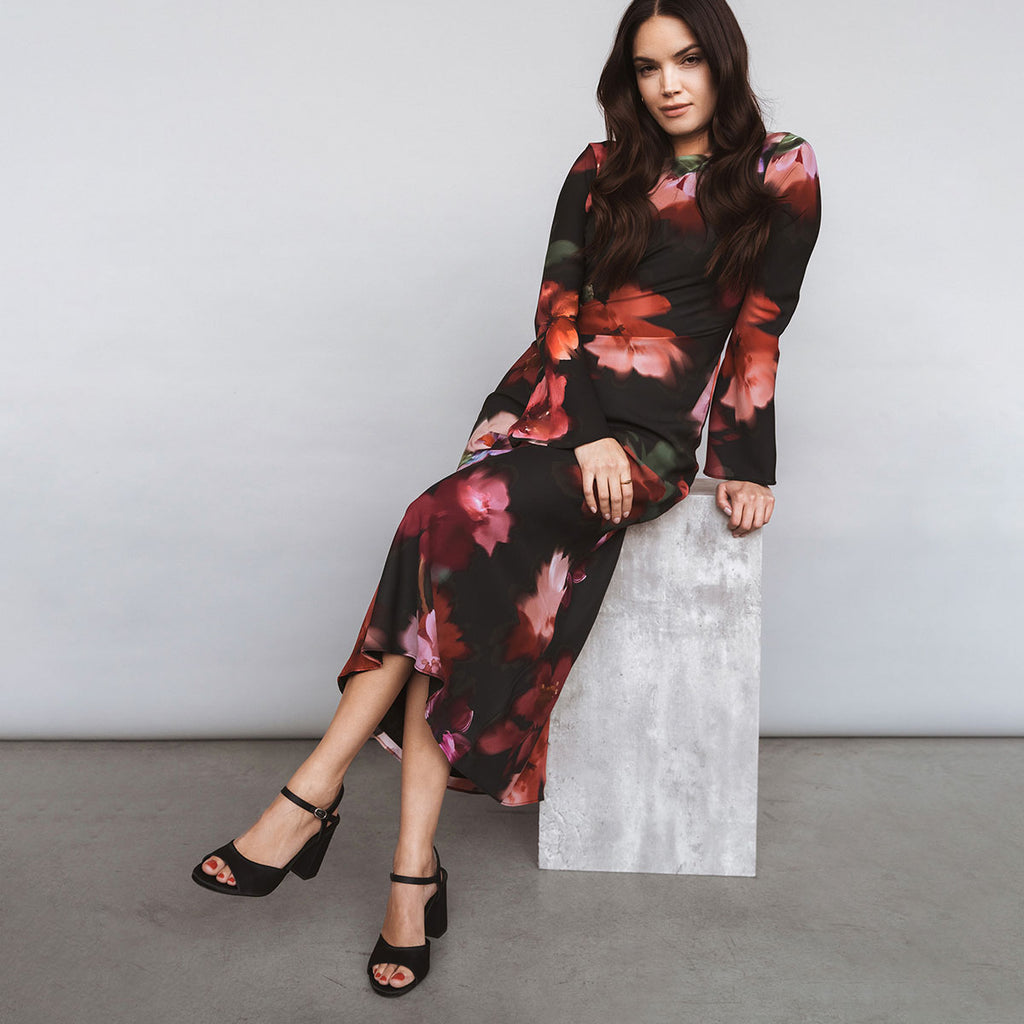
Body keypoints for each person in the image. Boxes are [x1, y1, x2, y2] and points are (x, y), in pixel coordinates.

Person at [190, 0, 822, 998]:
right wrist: (584, 430)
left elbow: (758, 327)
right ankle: (409, 873)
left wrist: (747, 464)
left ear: (723, 62)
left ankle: (310, 800)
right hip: (552, 408)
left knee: (432, 520)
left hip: (651, 439)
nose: (668, 84)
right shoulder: (599, 167)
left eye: (688, 60)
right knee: (447, 573)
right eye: (647, 66)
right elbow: (558, 312)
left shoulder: (780, 170)